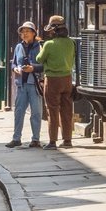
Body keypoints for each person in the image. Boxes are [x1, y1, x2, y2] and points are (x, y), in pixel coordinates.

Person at [37, 13, 78, 148]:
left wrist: (41, 47)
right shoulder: (71, 42)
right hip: (67, 79)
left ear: (54, 30)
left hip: (53, 80)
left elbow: (39, 59)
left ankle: (52, 141)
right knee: (67, 110)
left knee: (52, 110)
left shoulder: (49, 44)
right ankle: (67, 140)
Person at [9, 21, 45, 148]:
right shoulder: (19, 47)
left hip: (34, 83)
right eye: (22, 32)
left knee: (36, 112)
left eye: (27, 31)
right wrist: (15, 69)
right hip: (21, 84)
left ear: (34, 33)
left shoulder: (41, 46)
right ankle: (16, 138)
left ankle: (35, 139)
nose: (24, 34)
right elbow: (13, 63)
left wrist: (33, 68)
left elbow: (45, 65)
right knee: (19, 112)